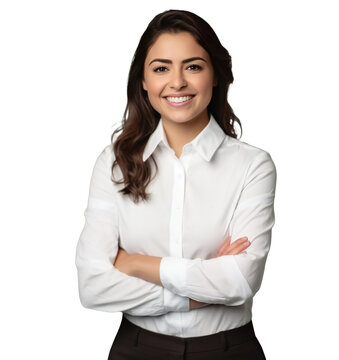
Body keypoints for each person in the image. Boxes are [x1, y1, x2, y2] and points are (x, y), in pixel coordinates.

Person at [75, 9, 277, 360]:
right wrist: (198, 291)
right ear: (143, 80)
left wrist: (137, 264)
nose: (178, 82)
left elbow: (242, 280)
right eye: (161, 68)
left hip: (228, 350)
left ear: (215, 76)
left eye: (194, 66)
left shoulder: (252, 166)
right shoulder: (114, 163)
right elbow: (94, 286)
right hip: (137, 349)